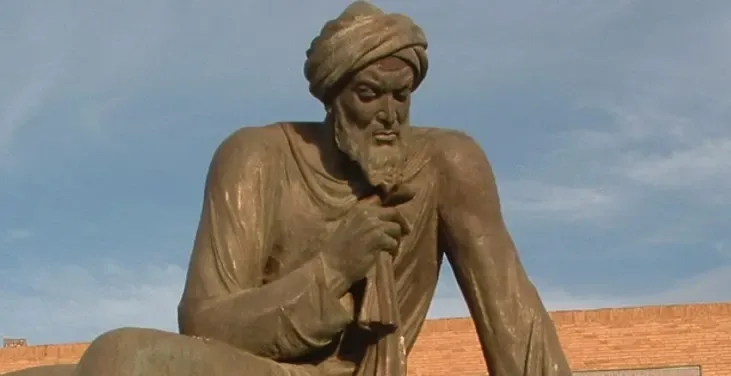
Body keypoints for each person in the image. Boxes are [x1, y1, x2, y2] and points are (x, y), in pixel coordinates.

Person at [15, 2, 572, 375]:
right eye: (369, 95)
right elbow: (207, 326)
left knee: (119, 357)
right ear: (332, 97)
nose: (389, 117)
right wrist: (334, 268)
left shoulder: (450, 163)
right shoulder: (256, 157)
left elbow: (515, 321)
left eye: (401, 97)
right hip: (267, 370)